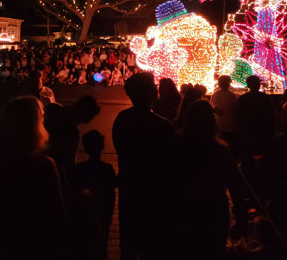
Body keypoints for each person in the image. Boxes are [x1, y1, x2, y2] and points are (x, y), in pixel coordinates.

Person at [0, 96, 65, 258]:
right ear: (35, 124)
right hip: (30, 244)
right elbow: (55, 216)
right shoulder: (43, 166)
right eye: (42, 116)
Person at [167, 100, 248, 260]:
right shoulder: (221, 150)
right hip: (213, 212)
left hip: (183, 209)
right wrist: (241, 218)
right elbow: (235, 187)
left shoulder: (176, 143)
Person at [112, 73, 173, 260]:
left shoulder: (122, 119)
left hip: (129, 188)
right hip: (154, 193)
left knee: (128, 245)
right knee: (151, 246)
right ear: (148, 94)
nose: (157, 89)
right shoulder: (162, 126)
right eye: (153, 87)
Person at [71, 130, 117, 260]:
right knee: (102, 247)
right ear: (102, 146)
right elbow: (114, 185)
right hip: (103, 214)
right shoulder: (107, 169)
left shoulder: (79, 169)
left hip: (83, 217)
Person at [46, 95, 101, 185]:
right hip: (54, 170)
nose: (88, 122)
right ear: (84, 111)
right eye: (90, 117)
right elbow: (69, 159)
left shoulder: (55, 110)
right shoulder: (72, 131)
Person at [210, 75, 238, 143]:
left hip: (218, 126)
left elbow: (212, 108)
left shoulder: (215, 94)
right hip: (230, 126)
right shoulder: (232, 96)